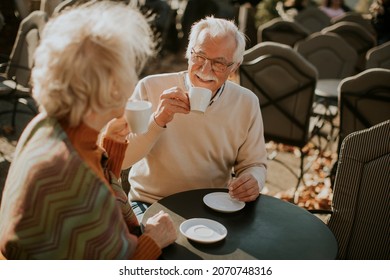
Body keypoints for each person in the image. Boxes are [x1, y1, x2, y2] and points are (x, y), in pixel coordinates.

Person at [0, 1, 177, 260]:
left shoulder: (43, 125)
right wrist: (153, 240)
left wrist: (109, 146)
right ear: (112, 88)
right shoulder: (79, 186)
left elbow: (94, 193)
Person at [122, 16, 268, 218]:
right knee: (154, 248)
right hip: (150, 201)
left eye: (218, 63)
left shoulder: (246, 102)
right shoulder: (150, 87)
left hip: (215, 205)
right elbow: (122, 160)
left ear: (234, 67)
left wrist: (253, 180)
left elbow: (254, 164)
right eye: (199, 56)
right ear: (188, 53)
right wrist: (158, 120)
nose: (205, 69)